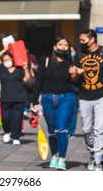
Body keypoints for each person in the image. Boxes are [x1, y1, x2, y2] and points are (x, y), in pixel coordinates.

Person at [73, 29, 103, 171]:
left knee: (100, 129)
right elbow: (73, 79)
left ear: (92, 40)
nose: (80, 43)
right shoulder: (79, 55)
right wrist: (77, 74)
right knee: (87, 130)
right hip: (84, 97)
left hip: (102, 97)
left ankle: (98, 160)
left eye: (83, 40)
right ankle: (93, 154)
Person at [31, 36, 77, 170]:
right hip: (47, 100)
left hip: (66, 98)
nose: (63, 47)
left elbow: (76, 83)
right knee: (52, 131)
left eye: (66, 45)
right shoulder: (45, 62)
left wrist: (78, 73)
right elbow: (38, 83)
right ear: (54, 47)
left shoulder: (71, 63)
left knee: (61, 129)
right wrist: (35, 102)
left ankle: (62, 158)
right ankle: (54, 156)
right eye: (60, 44)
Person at [0, 48, 31, 145]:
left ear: (13, 59)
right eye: (4, 60)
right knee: (6, 118)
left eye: (8, 59)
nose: (6, 61)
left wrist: (26, 69)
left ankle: (16, 137)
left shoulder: (19, 69)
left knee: (17, 119)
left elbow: (27, 79)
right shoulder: (1, 69)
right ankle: (6, 132)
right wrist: (4, 50)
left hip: (19, 98)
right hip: (5, 98)